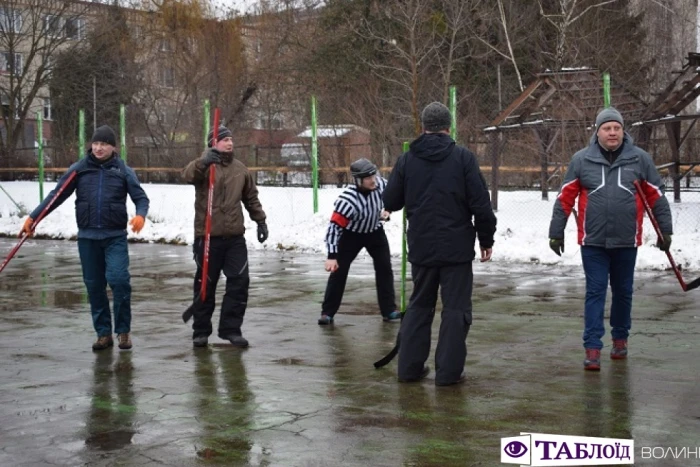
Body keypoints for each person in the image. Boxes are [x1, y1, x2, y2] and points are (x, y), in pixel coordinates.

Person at [548, 107, 673, 371]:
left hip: (626, 241)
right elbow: (565, 198)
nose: (612, 132)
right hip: (593, 242)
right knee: (595, 292)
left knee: (623, 292)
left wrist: (666, 230)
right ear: (598, 131)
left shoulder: (639, 159)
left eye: (616, 127)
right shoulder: (582, 160)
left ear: (623, 130)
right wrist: (556, 231)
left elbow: (656, 197)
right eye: (607, 128)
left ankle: (620, 339)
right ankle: (592, 347)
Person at [383, 102, 497, 386]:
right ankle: (448, 373)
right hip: (456, 248)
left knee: (419, 306)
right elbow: (481, 204)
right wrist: (486, 238)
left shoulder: (407, 159)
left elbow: (391, 201)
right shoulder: (463, 158)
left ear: (423, 127)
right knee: (455, 309)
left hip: (421, 247)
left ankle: (408, 368)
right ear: (449, 126)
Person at [19, 125, 150, 351]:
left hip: (114, 236)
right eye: (96, 144)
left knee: (119, 281)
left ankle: (123, 331)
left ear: (113, 147)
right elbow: (55, 197)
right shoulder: (79, 169)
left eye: (104, 144)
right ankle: (103, 334)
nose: (98, 148)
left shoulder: (123, 170)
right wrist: (34, 217)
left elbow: (141, 197)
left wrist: (140, 215)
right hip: (88, 237)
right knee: (94, 286)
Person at [182, 125, 268, 348]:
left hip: (234, 238)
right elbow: (187, 175)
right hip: (208, 236)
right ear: (213, 143)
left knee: (240, 281)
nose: (229, 143)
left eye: (231, 139)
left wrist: (260, 220)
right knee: (205, 285)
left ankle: (231, 329)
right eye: (223, 139)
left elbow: (251, 198)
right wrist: (204, 161)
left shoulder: (240, 169)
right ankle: (200, 331)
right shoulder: (203, 167)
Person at [318, 158, 399, 325]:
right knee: (338, 272)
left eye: (373, 175)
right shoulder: (347, 200)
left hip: (375, 233)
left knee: (385, 268)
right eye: (368, 178)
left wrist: (388, 210)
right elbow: (334, 228)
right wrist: (332, 255)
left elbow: (394, 194)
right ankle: (328, 313)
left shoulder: (381, 185)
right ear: (357, 180)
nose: (373, 180)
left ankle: (389, 310)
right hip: (351, 236)